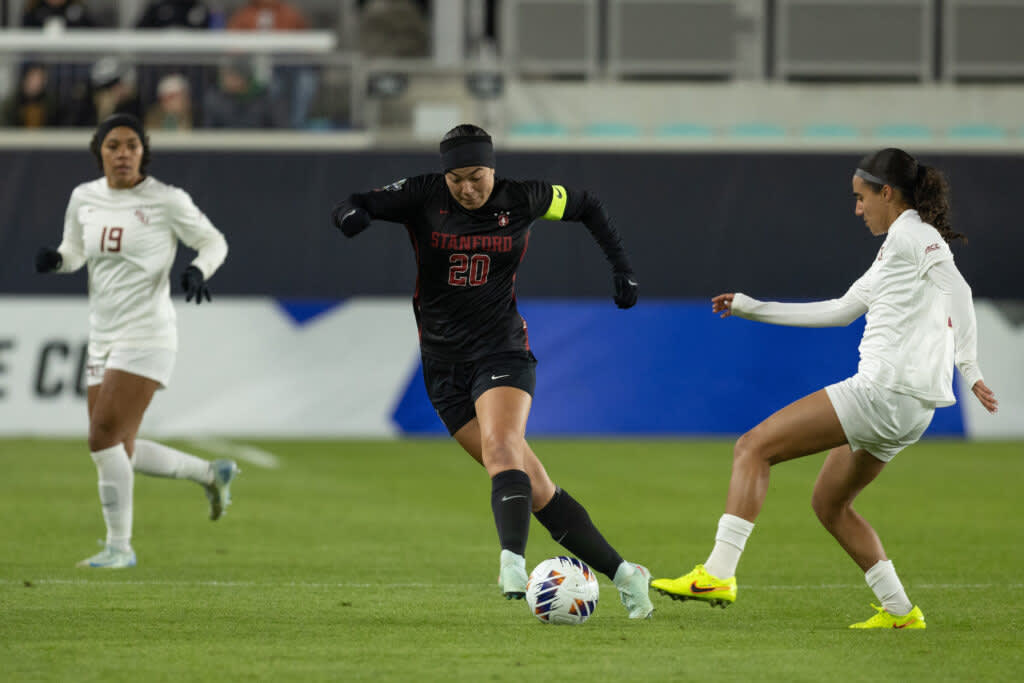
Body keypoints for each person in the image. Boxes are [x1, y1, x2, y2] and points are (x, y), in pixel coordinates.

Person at [651, 147, 999, 629]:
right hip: (914, 409)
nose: (857, 209)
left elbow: (958, 290)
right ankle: (900, 611)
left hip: (883, 392)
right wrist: (752, 307)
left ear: (887, 193)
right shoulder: (900, 244)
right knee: (829, 504)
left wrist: (971, 365)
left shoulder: (913, 235)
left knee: (752, 448)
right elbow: (839, 310)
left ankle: (717, 573)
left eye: (861, 198)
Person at [330, 124, 653, 619]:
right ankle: (627, 574)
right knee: (535, 486)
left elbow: (587, 204)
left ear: (492, 168)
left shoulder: (524, 198)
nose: (467, 188)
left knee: (501, 448)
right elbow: (360, 202)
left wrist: (622, 266)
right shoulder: (422, 196)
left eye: (476, 176)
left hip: (501, 351)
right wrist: (351, 216)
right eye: (456, 179)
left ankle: (512, 561)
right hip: (442, 368)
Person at [34, 114, 237, 569]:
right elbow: (75, 251)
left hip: (147, 332)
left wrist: (197, 270)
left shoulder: (166, 200)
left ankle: (119, 547)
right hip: (102, 334)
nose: (122, 153)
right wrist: (57, 259)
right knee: (117, 445)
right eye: (113, 146)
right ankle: (210, 473)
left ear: (143, 152)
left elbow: (214, 243)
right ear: (99, 152)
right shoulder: (83, 197)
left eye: (131, 145)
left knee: (102, 436)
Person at [1, 63, 61, 128]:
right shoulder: (11, 104)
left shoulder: (51, 104)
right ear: (24, 78)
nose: (38, 82)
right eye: (33, 77)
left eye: (41, 78)